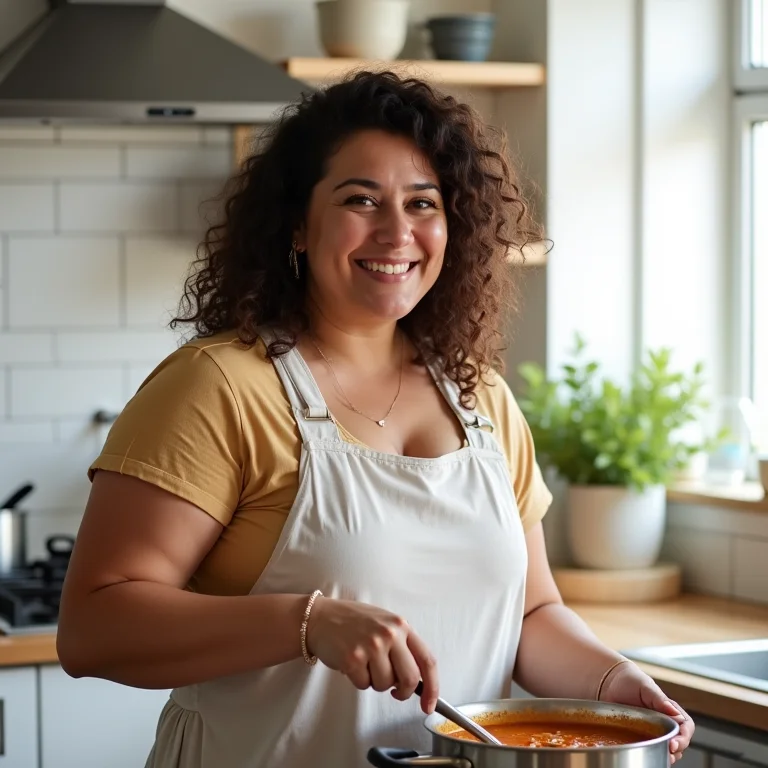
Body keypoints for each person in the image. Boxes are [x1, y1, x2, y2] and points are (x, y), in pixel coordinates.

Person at [56, 70, 694, 767]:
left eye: (424, 203)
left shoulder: (482, 400)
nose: (398, 232)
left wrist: (613, 683)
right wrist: (307, 622)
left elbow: (533, 617)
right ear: (297, 225)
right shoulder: (221, 387)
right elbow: (93, 629)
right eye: (361, 199)